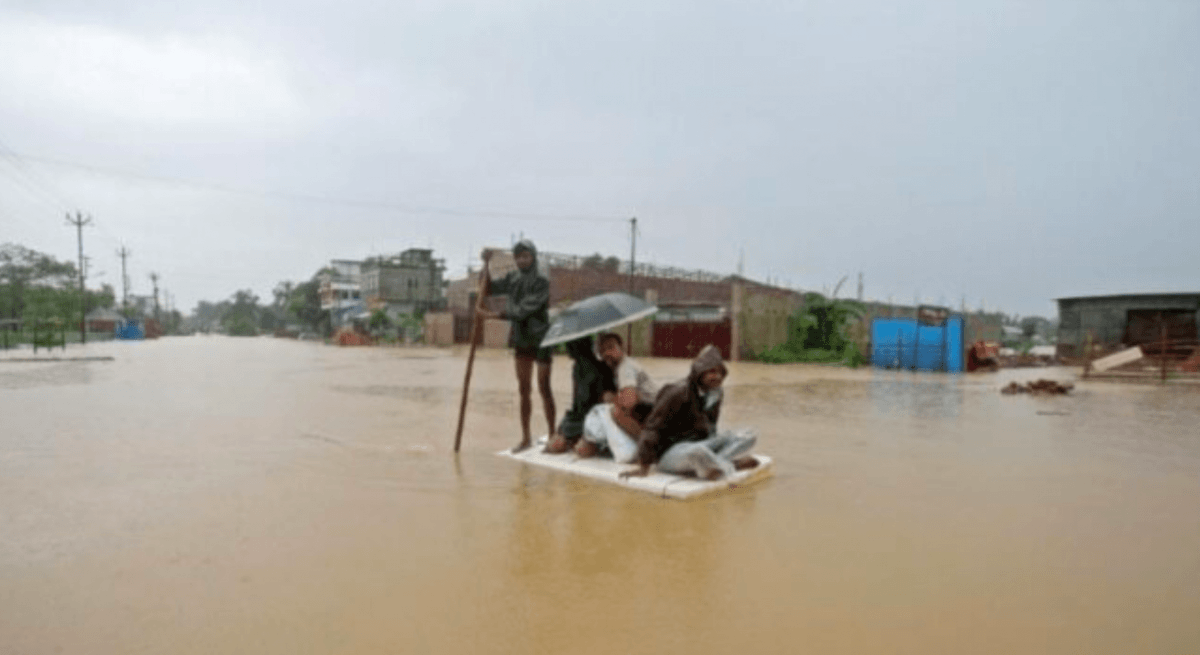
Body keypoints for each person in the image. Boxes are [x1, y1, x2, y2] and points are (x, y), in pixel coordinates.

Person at [620, 344, 758, 480]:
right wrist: (644, 467)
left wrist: (716, 443)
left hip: (701, 443)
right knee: (698, 452)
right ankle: (731, 465)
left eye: (720, 372)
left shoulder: (716, 393)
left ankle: (713, 463)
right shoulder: (676, 393)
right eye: (712, 372)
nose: (717, 376)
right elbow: (652, 429)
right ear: (699, 372)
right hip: (671, 452)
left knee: (748, 435)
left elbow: (712, 425)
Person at [479, 241, 555, 452]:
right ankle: (525, 438)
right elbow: (488, 288)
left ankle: (552, 434)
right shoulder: (512, 278)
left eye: (526, 256)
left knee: (544, 388)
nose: (522, 260)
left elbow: (525, 309)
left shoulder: (541, 281)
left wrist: (497, 315)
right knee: (524, 390)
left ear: (533, 257)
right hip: (521, 338)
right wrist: (486, 265)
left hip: (541, 338)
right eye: (518, 257)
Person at [575, 332, 659, 460]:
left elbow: (628, 401)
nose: (607, 353)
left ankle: (649, 447)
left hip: (655, 411)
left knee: (616, 411)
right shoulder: (617, 369)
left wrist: (611, 397)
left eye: (611, 347)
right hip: (648, 410)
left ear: (621, 347)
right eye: (602, 351)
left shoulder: (626, 368)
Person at [544, 335, 615, 454]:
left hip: (593, 418)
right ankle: (573, 439)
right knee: (553, 446)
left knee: (581, 450)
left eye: (570, 345)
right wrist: (563, 428)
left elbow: (603, 404)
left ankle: (589, 442)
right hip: (578, 418)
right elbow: (576, 403)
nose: (567, 349)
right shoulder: (577, 368)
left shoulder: (601, 368)